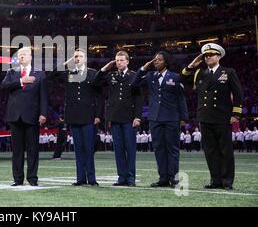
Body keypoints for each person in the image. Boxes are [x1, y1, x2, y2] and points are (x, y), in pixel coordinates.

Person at [181, 43, 243, 189]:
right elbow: (182, 79)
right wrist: (191, 66)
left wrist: (236, 114)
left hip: (222, 116)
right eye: (206, 56)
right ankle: (215, 181)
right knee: (210, 151)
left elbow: (238, 93)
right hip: (205, 117)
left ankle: (227, 181)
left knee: (225, 150)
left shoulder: (228, 72)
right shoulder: (199, 73)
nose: (208, 57)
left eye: (211, 55)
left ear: (219, 56)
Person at [132, 51, 188, 188]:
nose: (155, 62)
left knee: (172, 149)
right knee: (159, 149)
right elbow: (134, 84)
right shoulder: (150, 76)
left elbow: (181, 99)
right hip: (154, 118)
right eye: (154, 60)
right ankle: (163, 178)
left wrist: (183, 118)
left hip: (171, 118)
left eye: (159, 60)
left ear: (166, 62)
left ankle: (173, 178)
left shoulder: (175, 77)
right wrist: (143, 68)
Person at [48, 49, 103, 186]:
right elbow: (51, 75)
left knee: (89, 148)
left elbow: (100, 97)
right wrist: (67, 63)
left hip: (88, 115)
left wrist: (98, 115)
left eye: (80, 56)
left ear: (85, 59)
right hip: (73, 115)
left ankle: (92, 179)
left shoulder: (92, 73)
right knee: (78, 148)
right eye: (75, 56)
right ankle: (80, 179)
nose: (77, 58)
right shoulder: (69, 72)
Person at [93, 51, 143, 187]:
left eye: (121, 60)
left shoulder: (134, 76)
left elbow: (139, 98)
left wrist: (138, 117)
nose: (119, 62)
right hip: (114, 117)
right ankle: (122, 178)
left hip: (129, 118)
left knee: (130, 149)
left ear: (127, 61)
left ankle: (131, 178)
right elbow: (95, 82)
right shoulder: (111, 75)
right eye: (117, 60)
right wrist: (104, 69)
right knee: (119, 149)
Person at [1, 47, 48, 187]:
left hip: (32, 116)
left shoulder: (40, 74)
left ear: (30, 57)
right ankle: (18, 179)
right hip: (15, 116)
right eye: (20, 55)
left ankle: (32, 178)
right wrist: (21, 81)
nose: (21, 57)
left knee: (33, 150)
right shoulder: (12, 72)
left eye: (24, 54)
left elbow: (44, 96)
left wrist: (43, 113)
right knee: (17, 151)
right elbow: (3, 86)